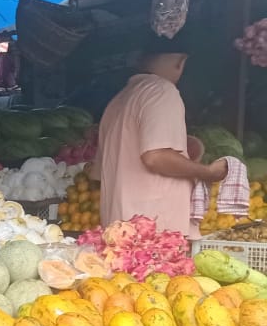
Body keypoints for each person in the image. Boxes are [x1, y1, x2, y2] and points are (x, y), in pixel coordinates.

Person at [96, 35, 228, 237]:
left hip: (120, 228)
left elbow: (97, 172)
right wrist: (207, 172)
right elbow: (156, 156)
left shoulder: (119, 99)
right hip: (153, 231)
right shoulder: (161, 91)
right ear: (181, 62)